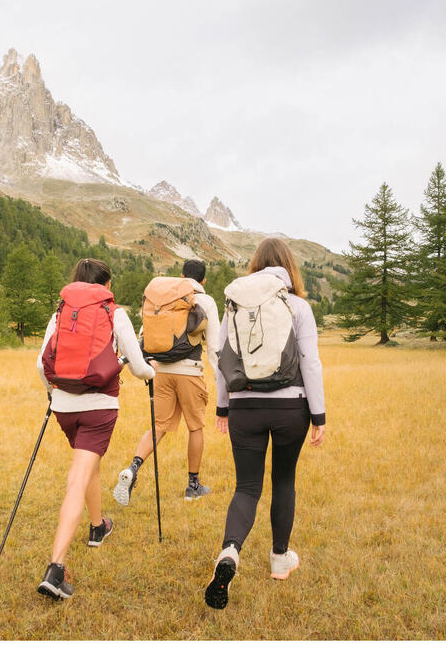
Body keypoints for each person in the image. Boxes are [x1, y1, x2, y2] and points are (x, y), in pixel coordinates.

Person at [204, 237, 325, 610]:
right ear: (288, 267)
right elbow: (310, 362)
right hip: (291, 407)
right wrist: (318, 414)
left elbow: (222, 360)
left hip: (245, 406)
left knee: (246, 487)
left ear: (255, 265)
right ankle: (279, 558)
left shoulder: (234, 306)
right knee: (283, 480)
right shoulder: (298, 305)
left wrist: (223, 407)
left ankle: (229, 551)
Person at [36, 257, 155, 600]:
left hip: (63, 407)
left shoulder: (60, 312)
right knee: (78, 477)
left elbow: (41, 365)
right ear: (106, 284)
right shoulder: (113, 312)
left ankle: (97, 527)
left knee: (88, 466)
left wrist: (52, 395)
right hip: (98, 408)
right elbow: (137, 366)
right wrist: (152, 373)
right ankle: (56, 568)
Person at [113, 258, 221, 504]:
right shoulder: (205, 300)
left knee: (158, 427)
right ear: (203, 280)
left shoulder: (164, 298)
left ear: (182, 276)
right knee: (195, 427)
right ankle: (193, 486)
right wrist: (223, 381)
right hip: (190, 371)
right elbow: (215, 346)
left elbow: (145, 335)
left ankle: (133, 467)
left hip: (161, 371)